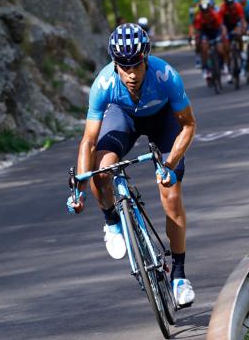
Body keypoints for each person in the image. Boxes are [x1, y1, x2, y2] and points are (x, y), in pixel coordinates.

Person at [66, 23, 197, 306]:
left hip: (162, 120)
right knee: (101, 171)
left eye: (136, 65)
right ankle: (112, 221)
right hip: (122, 117)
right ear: (114, 63)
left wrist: (169, 164)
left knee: (171, 194)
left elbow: (188, 125)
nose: (131, 74)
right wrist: (78, 188)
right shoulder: (103, 84)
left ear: (146, 58)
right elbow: (88, 142)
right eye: (123, 66)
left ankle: (179, 275)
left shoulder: (166, 76)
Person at [193, 0, 228, 81]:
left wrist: (223, 34)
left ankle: (223, 65)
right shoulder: (198, 17)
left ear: (210, 9)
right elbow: (198, 31)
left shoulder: (216, 14)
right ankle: (205, 68)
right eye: (203, 12)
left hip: (216, 32)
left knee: (220, 49)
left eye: (207, 11)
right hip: (205, 33)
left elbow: (222, 27)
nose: (206, 14)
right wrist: (197, 40)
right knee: (204, 47)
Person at [219, 0, 247, 83]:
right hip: (226, 26)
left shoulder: (238, 6)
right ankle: (227, 68)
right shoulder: (222, 8)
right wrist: (223, 32)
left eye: (231, 3)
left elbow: (242, 19)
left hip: (235, 24)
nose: (230, 5)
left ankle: (241, 51)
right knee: (226, 47)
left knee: (239, 34)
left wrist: (243, 28)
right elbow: (220, 23)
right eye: (228, 3)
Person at [189, 0, 203, 68]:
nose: (198, 2)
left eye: (199, 0)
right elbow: (191, 21)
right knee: (197, 41)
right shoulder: (192, 8)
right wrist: (191, 34)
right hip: (197, 27)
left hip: (206, 25)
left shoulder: (205, 4)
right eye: (196, 1)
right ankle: (198, 58)